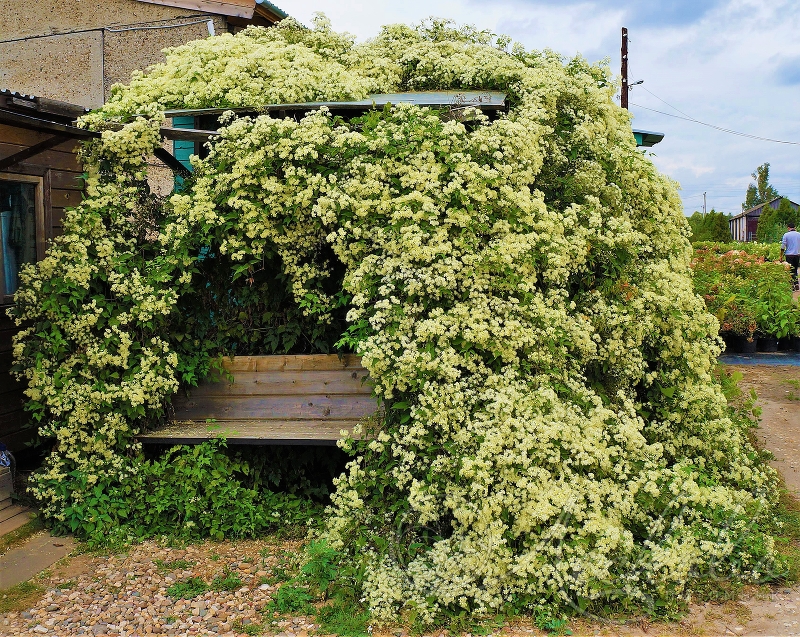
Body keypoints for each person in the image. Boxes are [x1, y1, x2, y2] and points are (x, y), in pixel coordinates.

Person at [781, 221, 800, 291]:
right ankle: (796, 283)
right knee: (795, 269)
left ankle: (792, 286)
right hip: (797, 255)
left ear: (788, 228)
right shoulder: (799, 234)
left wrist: (781, 255)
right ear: (795, 227)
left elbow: (783, 246)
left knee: (790, 270)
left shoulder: (786, 235)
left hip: (789, 255)